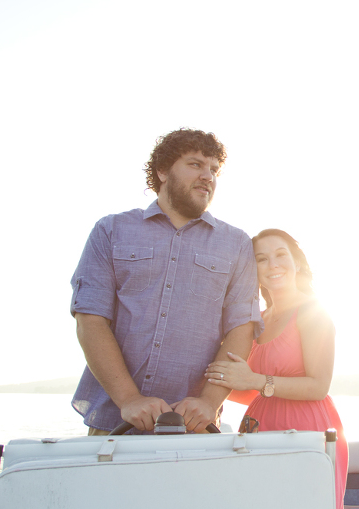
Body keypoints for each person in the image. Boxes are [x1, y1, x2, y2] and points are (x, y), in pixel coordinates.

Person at [70, 128, 263, 435]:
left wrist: (209, 402)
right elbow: (90, 320)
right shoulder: (110, 231)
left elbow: (241, 329)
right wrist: (129, 399)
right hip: (116, 422)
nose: (208, 176)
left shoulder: (237, 244)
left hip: (196, 425)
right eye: (195, 164)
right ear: (162, 171)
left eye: (214, 169)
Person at [206, 229, 348, 509]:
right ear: (253, 271)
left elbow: (319, 385)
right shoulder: (257, 320)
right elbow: (255, 389)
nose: (273, 265)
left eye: (280, 255)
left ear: (296, 261)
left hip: (307, 431)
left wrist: (254, 379)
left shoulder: (312, 311)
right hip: (259, 430)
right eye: (262, 259)